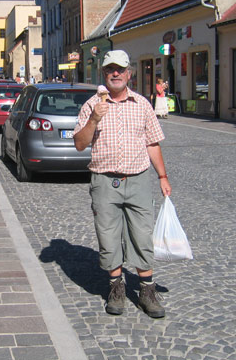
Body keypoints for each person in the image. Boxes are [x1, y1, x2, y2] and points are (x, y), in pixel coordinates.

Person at [74, 50, 172, 318]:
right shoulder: (91, 105)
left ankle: (147, 291)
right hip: (104, 182)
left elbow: (152, 142)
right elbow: (80, 144)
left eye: (120, 69)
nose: (115, 73)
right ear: (103, 74)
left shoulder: (142, 104)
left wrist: (162, 176)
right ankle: (116, 288)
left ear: (129, 73)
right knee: (108, 236)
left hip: (138, 179)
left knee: (142, 235)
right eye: (110, 70)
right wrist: (95, 118)